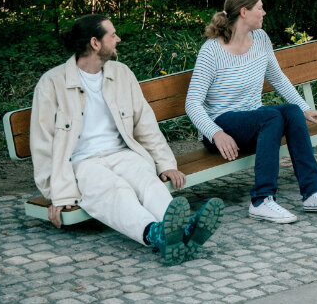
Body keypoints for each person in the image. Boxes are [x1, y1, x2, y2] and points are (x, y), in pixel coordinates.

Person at [29, 14, 223, 266]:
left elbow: (145, 123)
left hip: (123, 153)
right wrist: (58, 195)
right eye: (112, 35)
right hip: (81, 163)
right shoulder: (52, 83)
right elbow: (42, 145)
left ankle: (180, 231)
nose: (118, 38)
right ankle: (158, 233)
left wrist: (166, 164)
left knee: (148, 181)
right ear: (95, 43)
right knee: (117, 191)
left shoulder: (122, 73)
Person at [185, 0, 317, 224]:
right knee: (271, 117)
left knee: (290, 112)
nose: (264, 12)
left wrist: (305, 108)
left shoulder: (260, 39)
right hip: (221, 126)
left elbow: (277, 77)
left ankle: (312, 192)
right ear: (244, 12)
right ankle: (261, 200)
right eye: (259, 8)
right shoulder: (211, 51)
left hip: (253, 119)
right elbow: (192, 103)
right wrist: (216, 133)